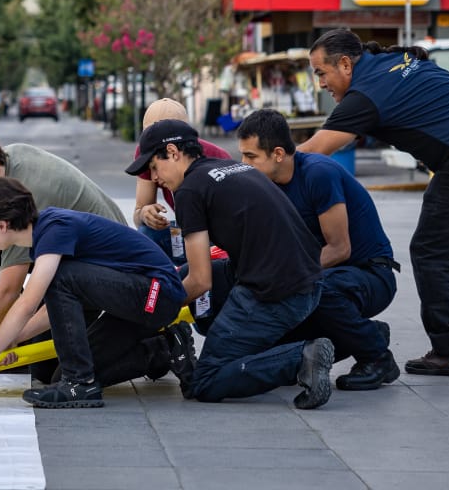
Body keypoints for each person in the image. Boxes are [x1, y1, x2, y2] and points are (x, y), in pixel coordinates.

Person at [305, 29, 449, 376]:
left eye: (321, 73)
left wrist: (257, 170)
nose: (321, 83)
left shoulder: (366, 94)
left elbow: (315, 150)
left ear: (345, 64)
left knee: (430, 253)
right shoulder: (392, 61)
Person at [0, 128, 170, 387]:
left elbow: (12, 293)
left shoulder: (32, 203)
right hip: (83, 267)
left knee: (50, 374)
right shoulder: (8, 168)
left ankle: (158, 350)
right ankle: (21, 339)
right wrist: (8, 341)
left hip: (119, 281)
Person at [130, 118, 335, 408]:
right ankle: (235, 349)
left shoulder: (189, 191)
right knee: (184, 274)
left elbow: (201, 282)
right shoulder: (228, 167)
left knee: (205, 380)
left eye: (153, 167)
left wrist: (152, 314)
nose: (154, 178)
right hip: (307, 280)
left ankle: (300, 358)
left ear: (174, 152)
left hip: (275, 294)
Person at [0, 177, 187, 408]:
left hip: (157, 294)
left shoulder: (54, 229)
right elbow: (55, 309)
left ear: (1, 225)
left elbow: (27, 304)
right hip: (137, 304)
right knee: (60, 375)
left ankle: (78, 381)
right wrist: (14, 340)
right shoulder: (44, 236)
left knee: (61, 277)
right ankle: (165, 347)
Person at [237, 108, 400, 391]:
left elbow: (339, 249)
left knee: (320, 289)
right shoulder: (271, 184)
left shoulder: (317, 173)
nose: (244, 164)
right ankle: (366, 334)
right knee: (279, 349)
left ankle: (377, 357)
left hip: (370, 274)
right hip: (324, 276)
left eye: (251, 156)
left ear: (277, 153)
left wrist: (285, 276)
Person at [133, 98, 233, 263]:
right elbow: (139, 213)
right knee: (145, 234)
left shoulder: (217, 157)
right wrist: (145, 214)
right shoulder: (146, 155)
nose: (154, 177)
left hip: (215, 236)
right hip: (184, 229)